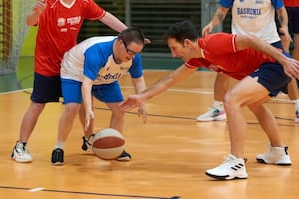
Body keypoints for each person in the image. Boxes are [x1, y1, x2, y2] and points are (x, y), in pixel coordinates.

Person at [119, 20, 298, 180]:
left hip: (274, 65)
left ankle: (236, 163)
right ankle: (278, 151)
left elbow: (250, 39)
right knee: (254, 104)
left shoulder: (213, 43)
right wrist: (141, 97)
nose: (173, 54)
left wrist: (283, 59)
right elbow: (169, 79)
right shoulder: (198, 59)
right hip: (268, 68)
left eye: (174, 48)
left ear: (187, 43)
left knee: (231, 99)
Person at [11, 0, 129, 163]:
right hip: (47, 64)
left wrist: (128, 34)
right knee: (38, 105)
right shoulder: (49, 3)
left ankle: (88, 139)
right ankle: (20, 146)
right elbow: (29, 22)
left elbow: (105, 16)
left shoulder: (83, 2)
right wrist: (36, 14)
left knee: (82, 103)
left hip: (72, 64)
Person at [198, 0, 296, 122]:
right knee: (223, 70)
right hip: (241, 41)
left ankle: (298, 106)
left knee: (288, 68)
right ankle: (217, 108)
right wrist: (212, 24)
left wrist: (285, 28)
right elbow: (222, 11)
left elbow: (281, 11)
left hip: (267, 40)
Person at [50, 28, 147, 165]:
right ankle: (59, 147)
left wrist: (142, 102)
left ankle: (116, 146)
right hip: (75, 72)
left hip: (104, 76)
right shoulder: (97, 51)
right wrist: (89, 108)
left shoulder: (133, 57)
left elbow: (138, 79)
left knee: (120, 109)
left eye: (136, 53)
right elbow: (87, 84)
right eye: (130, 51)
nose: (132, 56)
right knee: (72, 108)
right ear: (120, 42)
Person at [262, 0, 299, 122]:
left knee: (298, 47)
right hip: (282, 9)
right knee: (284, 47)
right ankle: (287, 82)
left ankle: (293, 80)